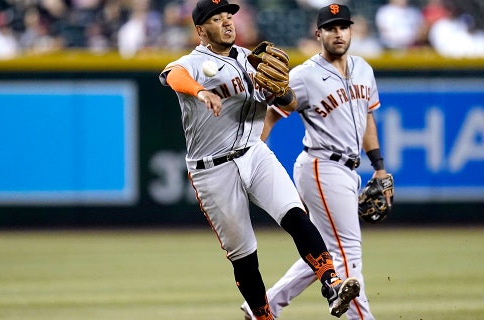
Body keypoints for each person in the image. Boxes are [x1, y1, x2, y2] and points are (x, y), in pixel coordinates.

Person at [158, 1, 360, 319]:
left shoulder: (250, 59)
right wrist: (201, 92)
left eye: (229, 16)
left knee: (295, 215)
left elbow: (290, 101)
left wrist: (280, 91)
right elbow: (172, 76)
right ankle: (263, 316)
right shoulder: (193, 63)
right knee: (245, 257)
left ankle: (331, 283)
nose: (227, 22)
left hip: (254, 151)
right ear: (200, 30)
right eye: (216, 18)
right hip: (213, 170)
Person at [241, 3, 391, 320]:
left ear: (351, 30)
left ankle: (264, 307)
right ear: (318, 33)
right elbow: (273, 112)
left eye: (343, 27)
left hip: (350, 170)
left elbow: (367, 118)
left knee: (325, 250)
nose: (338, 33)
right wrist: (253, 155)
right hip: (322, 166)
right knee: (347, 252)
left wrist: (378, 165)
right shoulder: (305, 75)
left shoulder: (364, 68)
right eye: (331, 28)